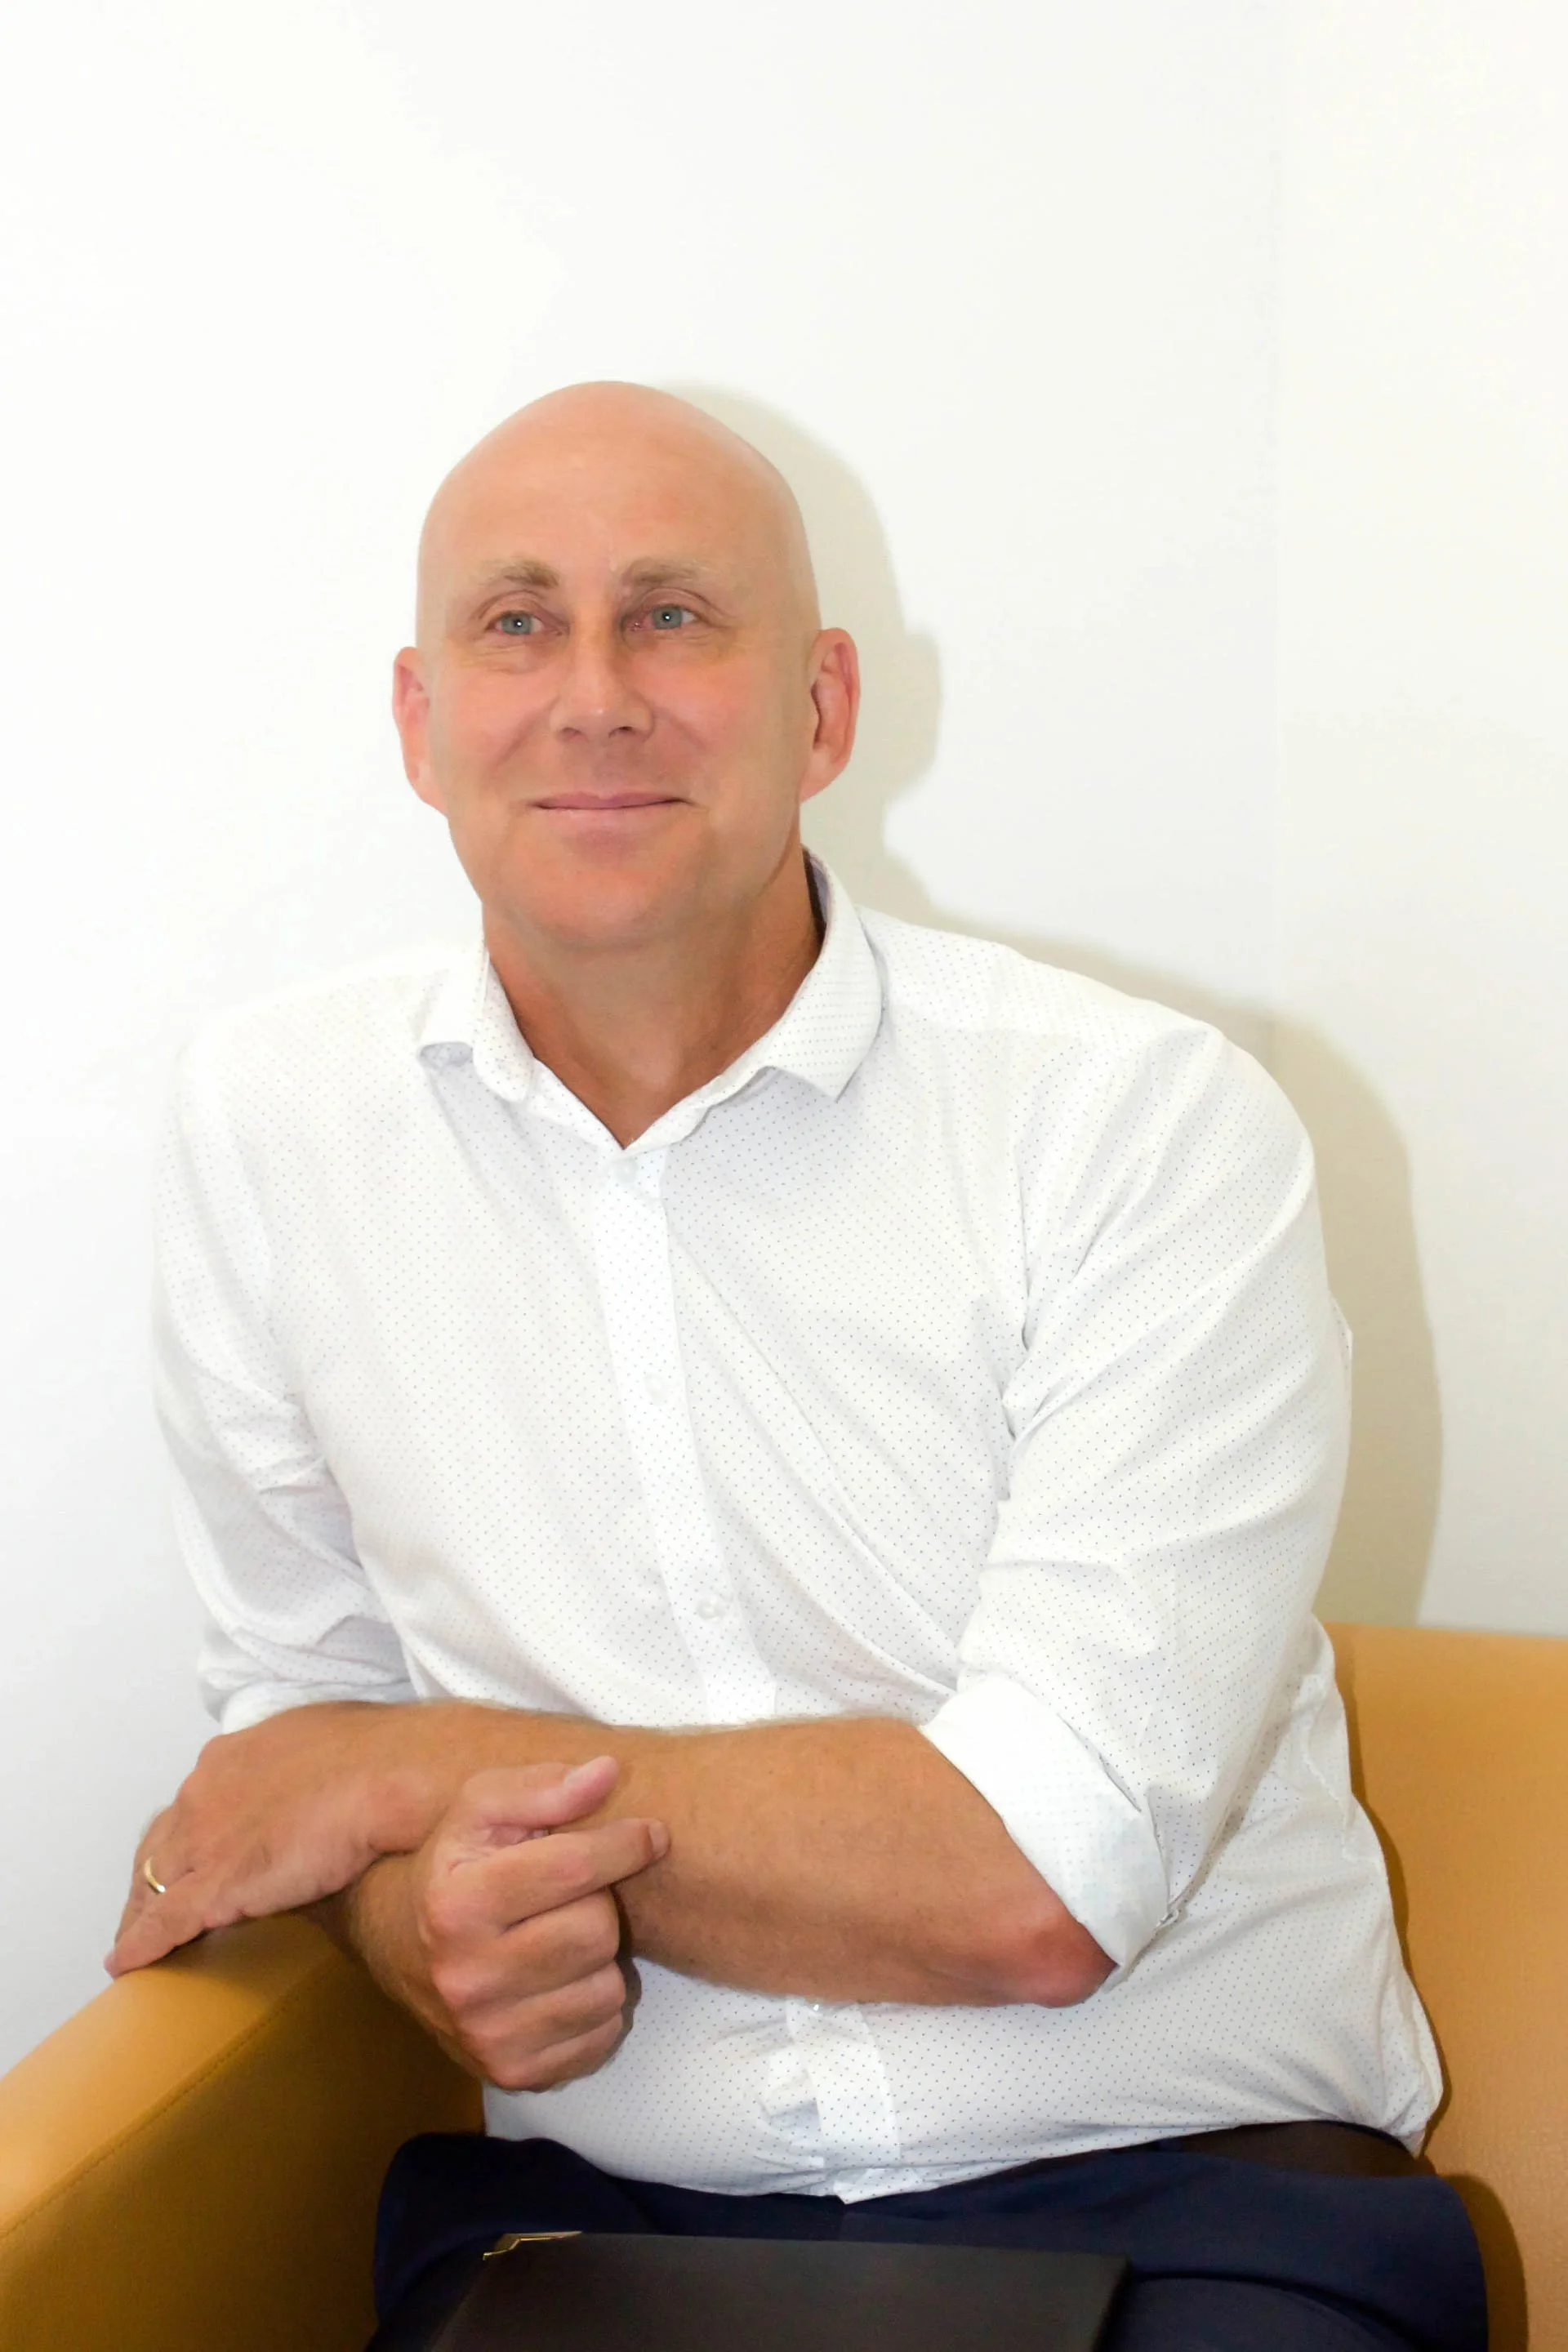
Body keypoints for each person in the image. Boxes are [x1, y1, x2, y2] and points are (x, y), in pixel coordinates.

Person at [109, 384, 1482, 2350]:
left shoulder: (1149, 1127)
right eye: (518, 623)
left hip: (1199, 2206)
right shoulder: (268, 1132)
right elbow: (290, 1732)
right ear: (420, 724)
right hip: (593, 2221)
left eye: (674, 615)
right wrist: (406, 1918)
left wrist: (410, 1775)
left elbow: (1038, 1879)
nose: (594, 693)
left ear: (823, 707)